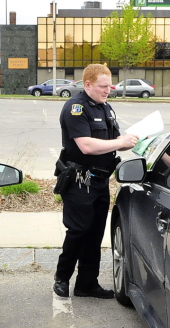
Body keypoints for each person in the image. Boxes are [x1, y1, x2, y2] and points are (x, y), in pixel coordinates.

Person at [53, 63, 139, 299]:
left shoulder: (106, 109)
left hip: (100, 181)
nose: (107, 90)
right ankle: (62, 278)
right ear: (88, 84)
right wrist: (120, 143)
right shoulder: (76, 108)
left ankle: (87, 283)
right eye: (103, 86)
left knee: (95, 233)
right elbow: (87, 145)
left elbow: (115, 138)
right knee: (78, 231)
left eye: (109, 86)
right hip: (80, 181)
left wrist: (135, 140)